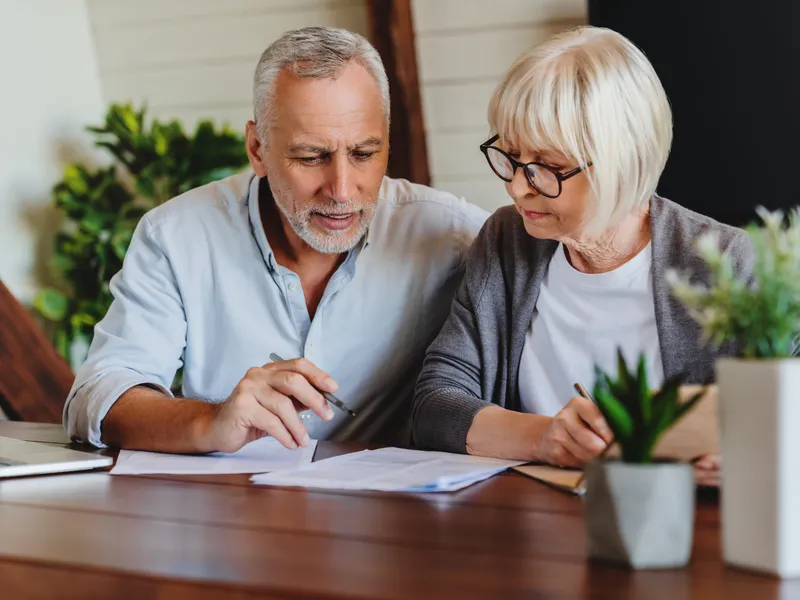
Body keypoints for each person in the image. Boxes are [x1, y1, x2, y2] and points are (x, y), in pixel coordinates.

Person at [64, 26, 487, 453]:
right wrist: (211, 422)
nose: (341, 190)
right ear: (257, 149)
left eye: (364, 154)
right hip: (234, 509)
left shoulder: (452, 236)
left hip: (394, 512)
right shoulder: (176, 236)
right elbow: (97, 396)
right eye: (311, 157)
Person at [411, 26, 750, 477]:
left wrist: (751, 451)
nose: (516, 187)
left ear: (621, 161)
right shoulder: (506, 242)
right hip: (529, 522)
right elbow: (435, 405)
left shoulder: (728, 265)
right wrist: (545, 437)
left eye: (547, 167)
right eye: (511, 157)